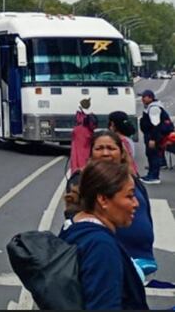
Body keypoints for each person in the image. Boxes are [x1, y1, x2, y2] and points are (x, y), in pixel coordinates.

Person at [63, 130, 155, 277]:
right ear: (91, 153)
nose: (105, 153)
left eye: (111, 148)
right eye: (99, 148)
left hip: (142, 258)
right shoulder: (82, 180)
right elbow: (77, 218)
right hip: (111, 258)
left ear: (121, 153)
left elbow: (146, 211)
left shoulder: (131, 179)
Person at [59, 159, 148, 310]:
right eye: (129, 196)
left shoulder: (74, 224)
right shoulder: (101, 246)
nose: (136, 203)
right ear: (103, 199)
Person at [139, 89, 171, 184]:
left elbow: (156, 125)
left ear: (150, 97)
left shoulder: (154, 108)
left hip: (153, 136)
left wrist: (153, 139)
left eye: (144, 97)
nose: (142, 99)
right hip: (151, 135)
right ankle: (150, 174)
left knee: (153, 155)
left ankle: (154, 176)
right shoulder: (150, 107)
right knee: (150, 155)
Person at [69, 97, 98, 175]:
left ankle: (77, 170)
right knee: (85, 154)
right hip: (86, 136)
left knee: (76, 155)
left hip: (79, 135)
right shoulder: (90, 116)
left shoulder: (79, 115)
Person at [107, 110, 140, 175]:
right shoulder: (127, 139)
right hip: (131, 171)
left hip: (121, 173)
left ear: (112, 124)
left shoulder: (118, 140)